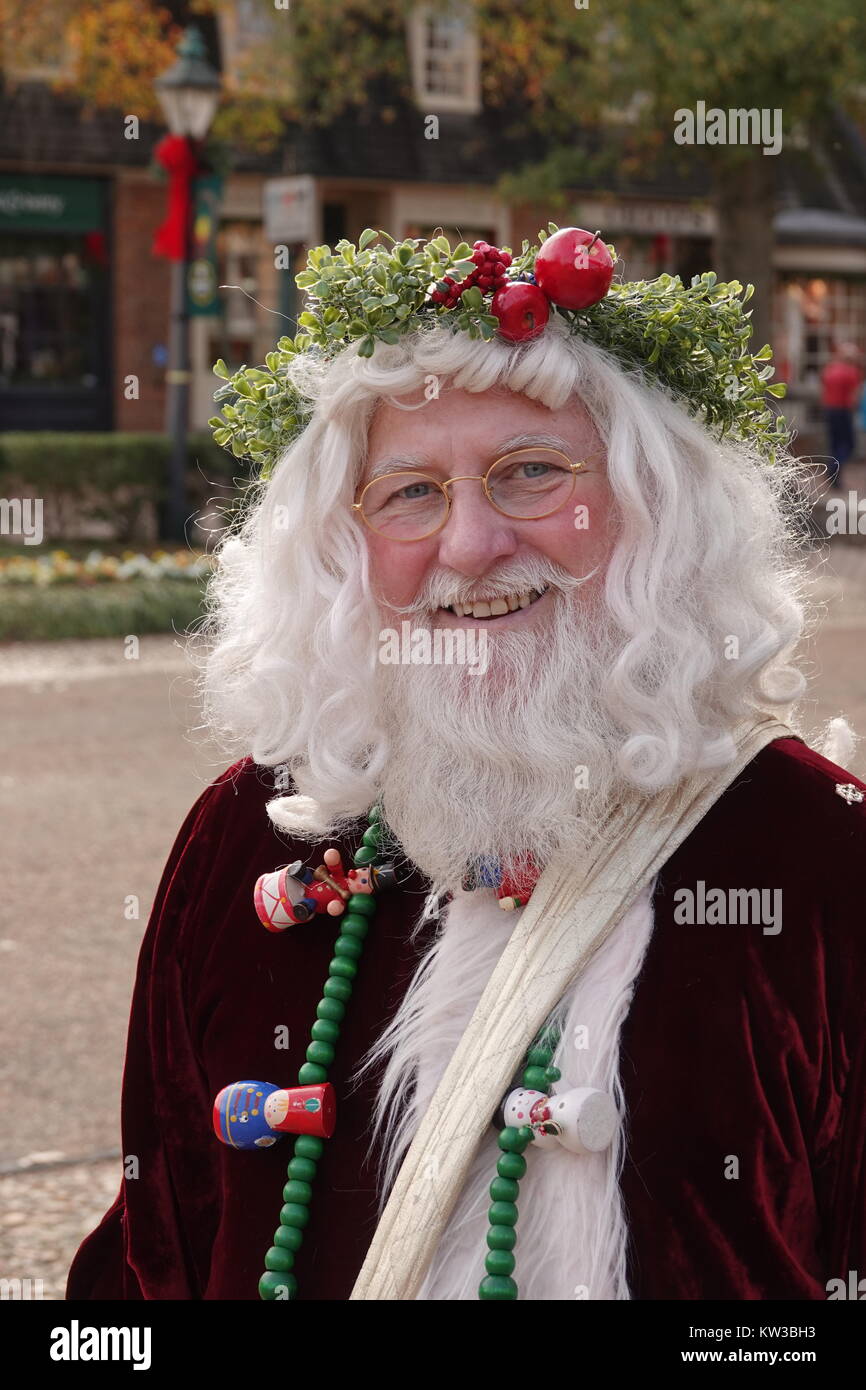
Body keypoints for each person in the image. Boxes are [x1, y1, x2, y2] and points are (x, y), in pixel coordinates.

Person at [67, 228, 866, 1302]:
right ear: (344, 547)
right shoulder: (250, 832)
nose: (468, 544)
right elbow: (149, 1257)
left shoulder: (821, 849)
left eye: (530, 473)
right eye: (408, 493)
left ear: (657, 508)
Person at [820, 342, 863, 488]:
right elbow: (854, 397)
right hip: (843, 411)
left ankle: (833, 474)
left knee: (834, 444)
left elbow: (824, 388)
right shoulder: (851, 372)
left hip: (829, 410)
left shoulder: (830, 369)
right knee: (848, 445)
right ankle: (833, 470)